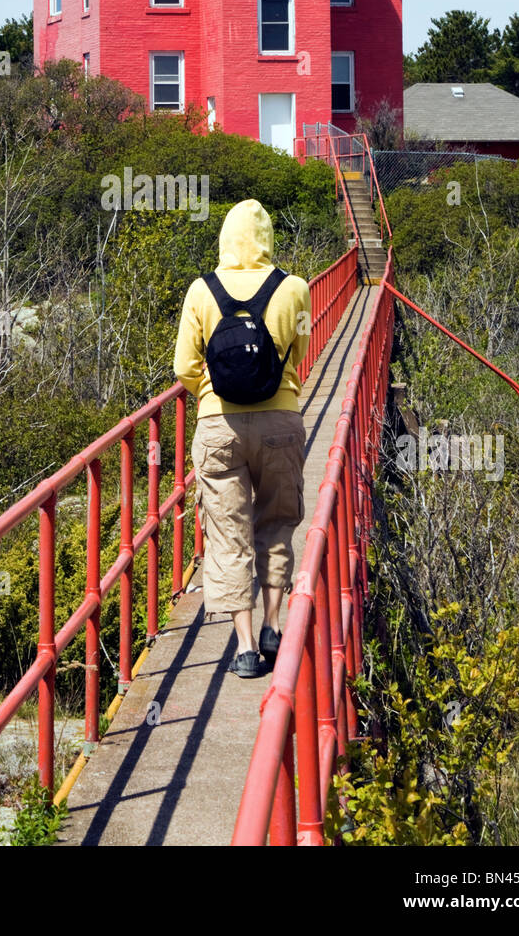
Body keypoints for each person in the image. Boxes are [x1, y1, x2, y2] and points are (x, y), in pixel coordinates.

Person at [173, 199, 311, 678]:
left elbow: (184, 368)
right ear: (268, 238)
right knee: (275, 524)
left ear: (225, 238)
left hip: (219, 428)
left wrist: (212, 394)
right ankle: (274, 625)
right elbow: (299, 355)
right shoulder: (295, 288)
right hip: (280, 421)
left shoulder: (201, 291)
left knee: (228, 537)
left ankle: (247, 649)